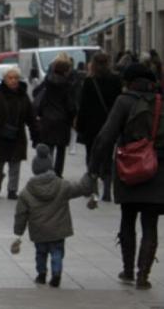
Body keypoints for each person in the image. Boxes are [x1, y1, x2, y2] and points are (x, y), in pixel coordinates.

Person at [89, 63, 164, 290]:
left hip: (128, 168)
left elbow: (106, 136)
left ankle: (128, 269)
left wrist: (94, 167)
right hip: (157, 169)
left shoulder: (124, 101)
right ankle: (144, 276)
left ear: (129, 81)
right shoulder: (161, 102)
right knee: (150, 223)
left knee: (127, 218)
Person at [13, 145, 94, 288]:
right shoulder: (62, 185)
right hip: (58, 230)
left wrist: (18, 232)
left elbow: (21, 214)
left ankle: (41, 274)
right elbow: (80, 188)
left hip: (39, 231)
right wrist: (89, 176)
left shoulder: (27, 192)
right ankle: (56, 274)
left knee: (41, 253)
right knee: (57, 252)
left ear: (34, 169)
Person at [0, 68, 39, 199]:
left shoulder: (23, 96)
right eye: (10, 78)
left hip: (17, 136)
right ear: (5, 80)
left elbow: (31, 117)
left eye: (16, 78)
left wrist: (35, 134)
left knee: (15, 164)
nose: (13, 81)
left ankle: (12, 190)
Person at [75, 53, 122, 202]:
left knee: (92, 156)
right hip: (110, 124)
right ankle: (107, 191)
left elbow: (83, 106)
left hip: (91, 126)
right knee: (108, 156)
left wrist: (80, 126)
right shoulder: (116, 80)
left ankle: (92, 187)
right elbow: (119, 103)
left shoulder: (90, 81)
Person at [34, 59, 76, 178]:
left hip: (47, 119)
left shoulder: (47, 82)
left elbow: (36, 93)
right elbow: (70, 105)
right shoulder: (67, 85)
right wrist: (73, 116)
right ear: (65, 71)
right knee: (61, 149)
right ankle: (58, 173)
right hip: (62, 121)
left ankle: (48, 170)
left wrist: (41, 113)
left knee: (49, 147)